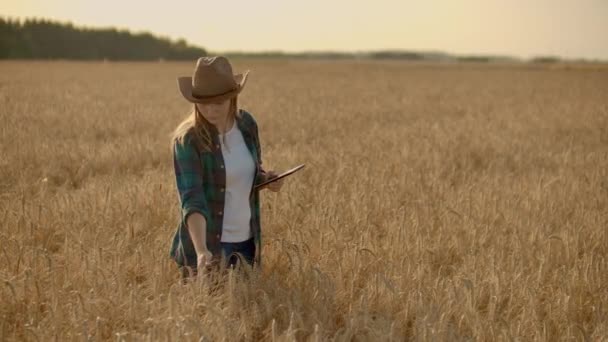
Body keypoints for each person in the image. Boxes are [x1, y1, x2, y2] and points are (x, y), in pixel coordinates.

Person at [169, 56, 283, 279]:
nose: (210, 110)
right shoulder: (187, 141)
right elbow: (192, 200)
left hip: (248, 243)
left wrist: (267, 179)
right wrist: (202, 251)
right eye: (203, 103)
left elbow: (249, 173)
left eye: (218, 103)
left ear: (233, 98)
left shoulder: (247, 125)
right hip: (211, 250)